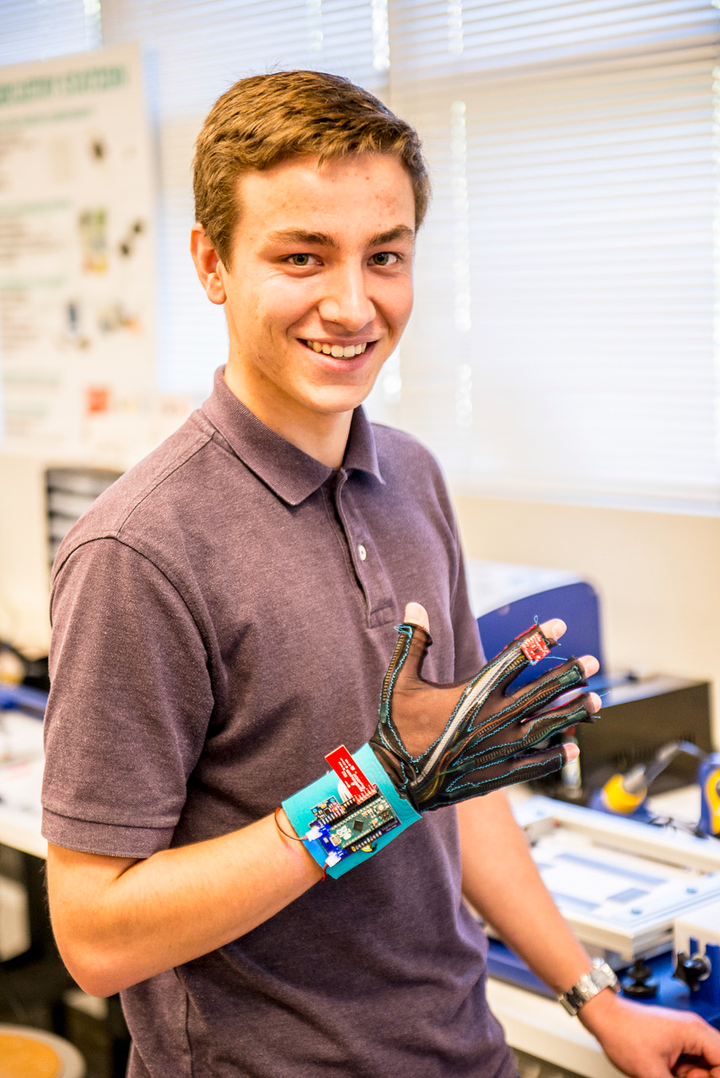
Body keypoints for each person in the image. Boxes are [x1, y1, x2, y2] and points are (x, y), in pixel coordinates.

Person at [42, 70, 720, 1078]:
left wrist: (595, 998)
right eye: (302, 256)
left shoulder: (411, 475)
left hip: (461, 1053)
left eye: (385, 256)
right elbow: (96, 938)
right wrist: (369, 796)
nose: (352, 305)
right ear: (211, 263)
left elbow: (459, 783)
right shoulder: (138, 551)